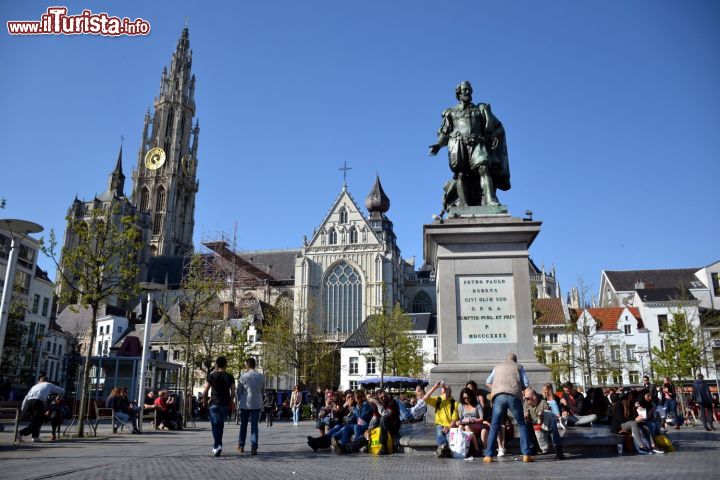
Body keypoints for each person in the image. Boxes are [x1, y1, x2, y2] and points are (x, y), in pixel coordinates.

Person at [429, 80, 510, 210]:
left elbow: (492, 126)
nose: (467, 92)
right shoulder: (451, 112)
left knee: (484, 169)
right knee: (461, 174)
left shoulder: (480, 109)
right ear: (459, 93)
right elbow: (445, 132)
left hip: (477, 143)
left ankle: (490, 200)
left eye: (469, 90)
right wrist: (438, 145)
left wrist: (493, 137)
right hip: (458, 145)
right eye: (464, 90)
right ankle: (464, 205)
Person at [483, 353, 533, 463]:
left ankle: (489, 455)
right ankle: (526, 454)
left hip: (499, 397)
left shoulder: (497, 367)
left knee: (495, 425)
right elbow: (526, 383)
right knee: (521, 424)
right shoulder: (519, 367)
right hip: (513, 396)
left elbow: (488, 381)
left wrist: (496, 388)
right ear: (515, 360)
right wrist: (522, 390)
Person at [202, 356, 236, 456]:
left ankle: (217, 445)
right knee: (220, 425)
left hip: (214, 403)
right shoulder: (230, 376)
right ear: (226, 364)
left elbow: (205, 392)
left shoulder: (211, 376)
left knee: (215, 425)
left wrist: (204, 402)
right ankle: (218, 445)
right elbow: (233, 391)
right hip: (224, 404)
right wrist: (231, 401)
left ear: (216, 364)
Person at [17, 376, 64, 442]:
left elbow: (26, 397)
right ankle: (21, 433)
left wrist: (23, 408)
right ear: (47, 381)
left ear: (39, 381)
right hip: (37, 402)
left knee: (35, 421)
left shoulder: (34, 386)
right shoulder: (49, 384)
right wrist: (58, 398)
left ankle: (35, 437)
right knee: (38, 422)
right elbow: (62, 390)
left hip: (28, 402)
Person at [523, 388, 564, 460]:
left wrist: (542, 414)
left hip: (544, 426)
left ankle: (558, 449)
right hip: (534, 426)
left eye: (527, 398)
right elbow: (527, 417)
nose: (526, 400)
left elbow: (548, 416)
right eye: (525, 398)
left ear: (534, 397)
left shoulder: (543, 403)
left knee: (553, 423)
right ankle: (532, 448)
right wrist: (526, 416)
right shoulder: (526, 404)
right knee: (525, 424)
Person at [423, 381, 459, 458]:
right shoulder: (438, 400)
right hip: (440, 424)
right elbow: (425, 398)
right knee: (440, 434)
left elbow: (454, 419)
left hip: (450, 426)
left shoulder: (455, 403)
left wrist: (449, 428)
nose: (445, 390)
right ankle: (444, 448)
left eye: (446, 389)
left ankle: (440, 450)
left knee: (447, 438)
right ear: (441, 392)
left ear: (450, 392)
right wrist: (434, 387)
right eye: (443, 390)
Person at [237, 357, 265, 455]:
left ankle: (241, 446)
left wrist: (239, 401)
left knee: (243, 425)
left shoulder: (243, 377)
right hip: (257, 404)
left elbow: (239, 391)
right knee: (254, 426)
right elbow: (263, 391)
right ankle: (254, 447)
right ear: (255, 365)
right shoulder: (261, 376)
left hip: (245, 404)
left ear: (247, 365)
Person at [332, 389, 373, 454]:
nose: (354, 399)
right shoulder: (357, 406)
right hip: (358, 424)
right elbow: (354, 417)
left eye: (355, 397)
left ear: (359, 398)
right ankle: (342, 444)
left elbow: (361, 417)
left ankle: (354, 447)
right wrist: (348, 421)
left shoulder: (366, 405)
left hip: (365, 426)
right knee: (347, 427)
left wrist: (352, 408)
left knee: (357, 427)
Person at [453, 387, 488, 456]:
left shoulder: (477, 404)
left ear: (471, 396)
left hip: (477, 424)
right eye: (464, 398)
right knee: (461, 427)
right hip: (465, 423)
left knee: (467, 427)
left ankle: (476, 449)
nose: (466, 400)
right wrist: (460, 422)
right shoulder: (461, 405)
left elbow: (481, 418)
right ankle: (462, 448)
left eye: (468, 397)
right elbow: (461, 418)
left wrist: (471, 420)